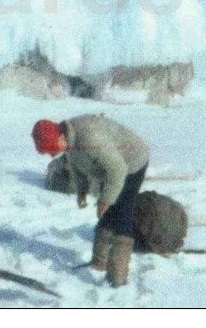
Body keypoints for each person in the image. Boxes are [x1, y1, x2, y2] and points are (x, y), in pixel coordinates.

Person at [31, 115, 149, 287]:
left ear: (60, 137)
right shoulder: (70, 141)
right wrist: (82, 191)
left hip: (131, 162)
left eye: (52, 149)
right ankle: (99, 263)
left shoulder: (89, 138)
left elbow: (118, 170)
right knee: (107, 212)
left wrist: (105, 200)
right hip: (111, 169)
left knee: (122, 212)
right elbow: (78, 167)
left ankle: (118, 276)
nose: (52, 155)